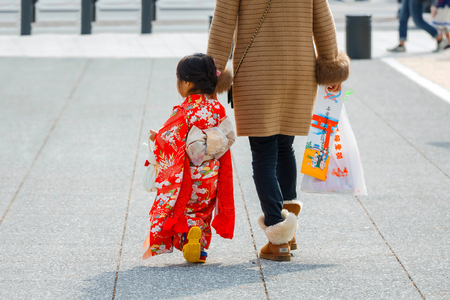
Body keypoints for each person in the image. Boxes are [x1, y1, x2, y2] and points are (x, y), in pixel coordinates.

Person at [207, 0, 349, 261]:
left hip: (257, 71)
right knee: (285, 147)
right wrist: (331, 66)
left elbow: (222, 27)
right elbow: (324, 23)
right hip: (299, 71)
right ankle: (288, 232)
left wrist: (212, 74)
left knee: (263, 153)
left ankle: (278, 237)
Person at [142, 53, 235, 263]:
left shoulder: (183, 111)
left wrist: (156, 137)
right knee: (203, 210)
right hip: (211, 174)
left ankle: (189, 234)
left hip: (189, 175)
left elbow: (169, 140)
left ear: (186, 83)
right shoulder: (217, 109)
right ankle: (199, 248)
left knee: (186, 208)